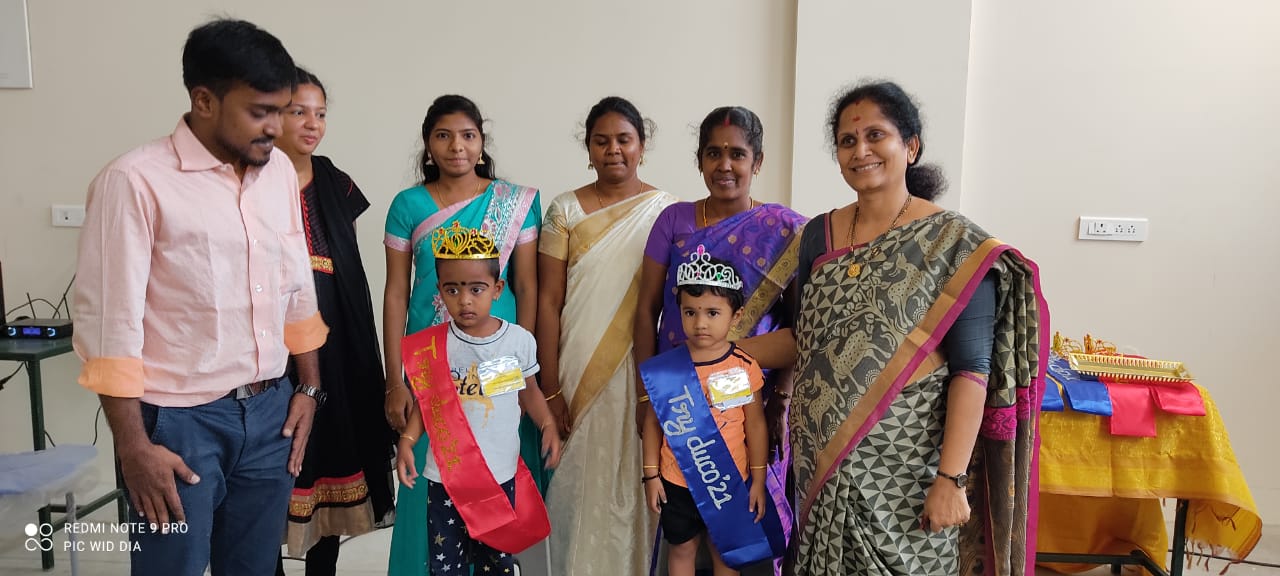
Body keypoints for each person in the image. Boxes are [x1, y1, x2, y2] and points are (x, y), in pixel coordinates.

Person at [72, 19, 328, 576]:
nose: (277, 127)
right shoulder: (134, 181)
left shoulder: (278, 173)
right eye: (260, 112)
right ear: (204, 100)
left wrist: (308, 387)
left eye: (282, 110)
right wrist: (133, 448)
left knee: (255, 568)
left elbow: (296, 286)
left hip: (271, 413)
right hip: (177, 423)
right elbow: (111, 326)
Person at [779, 81, 1046, 575]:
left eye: (875, 136)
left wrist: (951, 479)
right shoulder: (818, 234)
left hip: (906, 475)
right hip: (820, 465)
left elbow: (972, 370)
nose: (860, 151)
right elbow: (804, 340)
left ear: (911, 146)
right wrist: (712, 354)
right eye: (847, 141)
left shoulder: (956, 245)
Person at [634, 106, 806, 570]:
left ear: (758, 161)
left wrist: (781, 399)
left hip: (749, 396)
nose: (724, 165)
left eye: (737, 154)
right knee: (683, 529)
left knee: (739, 530)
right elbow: (647, 310)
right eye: (713, 153)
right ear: (699, 160)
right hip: (678, 396)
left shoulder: (785, 230)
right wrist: (645, 397)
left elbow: (801, 327)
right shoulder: (674, 220)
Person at [383, 94, 544, 575]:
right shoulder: (407, 204)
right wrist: (394, 380)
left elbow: (526, 286)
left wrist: (524, 365)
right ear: (428, 145)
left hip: (498, 358)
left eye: (468, 136)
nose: (457, 147)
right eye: (444, 136)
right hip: (431, 360)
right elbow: (396, 292)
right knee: (429, 472)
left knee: (495, 464)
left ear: (481, 141)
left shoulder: (516, 203)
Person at [536, 96, 677, 575]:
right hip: (576, 362)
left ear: (642, 146)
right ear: (588, 148)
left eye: (624, 140)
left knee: (636, 473)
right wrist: (550, 387)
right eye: (602, 141)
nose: (613, 149)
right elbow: (549, 302)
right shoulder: (564, 209)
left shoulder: (666, 211)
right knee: (578, 478)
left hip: (640, 365)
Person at [272, 67, 395, 576]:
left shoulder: (335, 183)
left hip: (337, 351)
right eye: (298, 111)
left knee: (334, 454)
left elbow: (346, 271)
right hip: (270, 353)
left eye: (320, 113)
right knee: (275, 459)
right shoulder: (249, 182)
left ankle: (323, 568)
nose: (312, 124)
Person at [395, 223, 562, 575]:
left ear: (497, 289)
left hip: (498, 476)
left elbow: (529, 391)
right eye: (453, 289)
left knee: (496, 564)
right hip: (445, 479)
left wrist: (547, 423)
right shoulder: (433, 345)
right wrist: (408, 440)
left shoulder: (516, 341)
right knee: (446, 567)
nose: (465, 300)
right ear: (440, 291)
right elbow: (428, 403)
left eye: (476, 289)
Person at [640, 249, 778, 576]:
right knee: (682, 549)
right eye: (690, 312)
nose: (700, 323)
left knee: (725, 552)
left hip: (729, 481)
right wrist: (650, 475)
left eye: (713, 313)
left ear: (736, 316)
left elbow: (756, 425)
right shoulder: (666, 369)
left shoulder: (743, 367)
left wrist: (758, 479)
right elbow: (653, 424)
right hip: (676, 481)